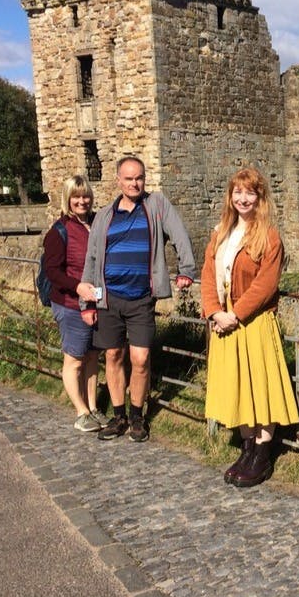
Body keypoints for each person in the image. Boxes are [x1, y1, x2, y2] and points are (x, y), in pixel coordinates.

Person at [77, 156, 196, 443]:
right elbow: (92, 259)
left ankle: (137, 416)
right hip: (109, 298)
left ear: (144, 179)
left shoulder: (155, 205)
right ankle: (119, 417)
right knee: (113, 356)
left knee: (140, 358)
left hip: (142, 297)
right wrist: (87, 302)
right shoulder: (105, 215)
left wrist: (186, 269)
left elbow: (179, 234)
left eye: (139, 177)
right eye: (129, 178)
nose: (134, 183)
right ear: (118, 180)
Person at [200, 167, 299, 488]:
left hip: (253, 322)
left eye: (250, 193)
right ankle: (246, 448)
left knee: (262, 387)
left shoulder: (268, 236)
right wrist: (215, 312)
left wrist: (235, 314)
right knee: (237, 385)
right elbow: (207, 274)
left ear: (260, 198)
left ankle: (262, 453)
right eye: (238, 193)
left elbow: (266, 285)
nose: (243, 199)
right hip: (223, 323)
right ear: (231, 197)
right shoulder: (221, 233)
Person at [43, 175, 105, 432]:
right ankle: (80, 412)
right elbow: (53, 272)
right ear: (68, 199)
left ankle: (93, 407)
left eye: (85, 196)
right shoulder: (59, 232)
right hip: (70, 305)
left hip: (97, 304)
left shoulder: (96, 223)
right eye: (76, 197)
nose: (82, 201)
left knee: (92, 356)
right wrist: (77, 286)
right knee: (74, 359)